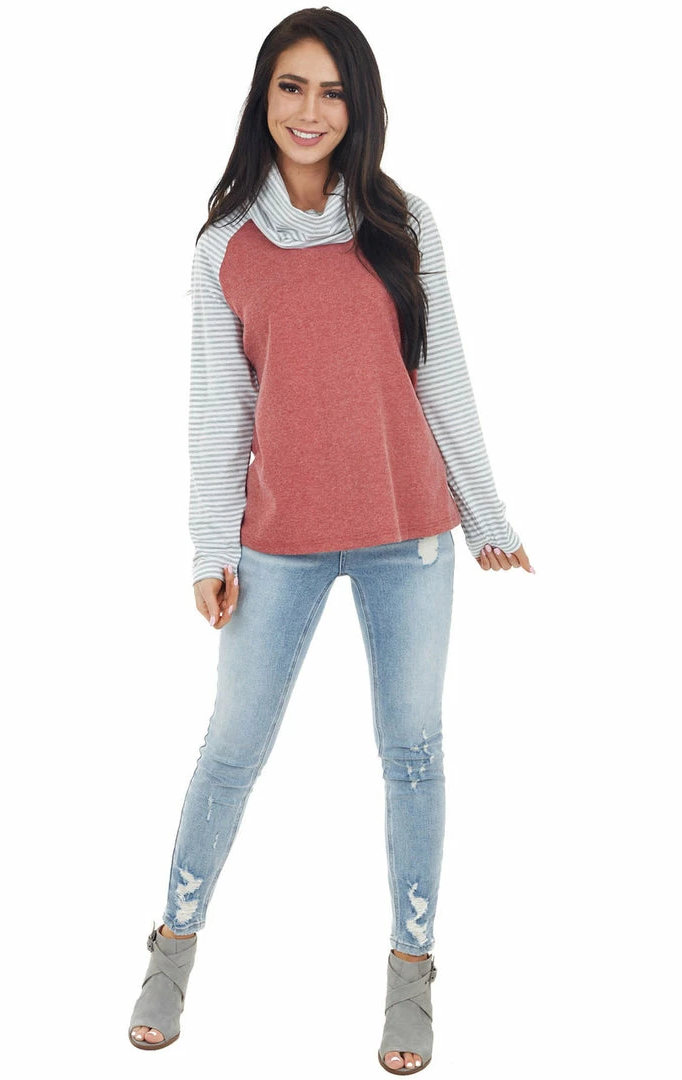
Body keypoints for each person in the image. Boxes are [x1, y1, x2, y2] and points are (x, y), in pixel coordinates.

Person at [128, 6, 534, 1072]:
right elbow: (219, 412)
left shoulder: (402, 221)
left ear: (361, 107)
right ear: (263, 97)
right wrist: (211, 549)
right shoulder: (226, 247)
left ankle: (411, 975)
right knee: (231, 750)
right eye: (292, 86)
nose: (311, 110)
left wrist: (487, 514)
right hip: (280, 540)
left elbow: (442, 375)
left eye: (333, 91)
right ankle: (171, 952)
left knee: (414, 754)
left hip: (411, 535)